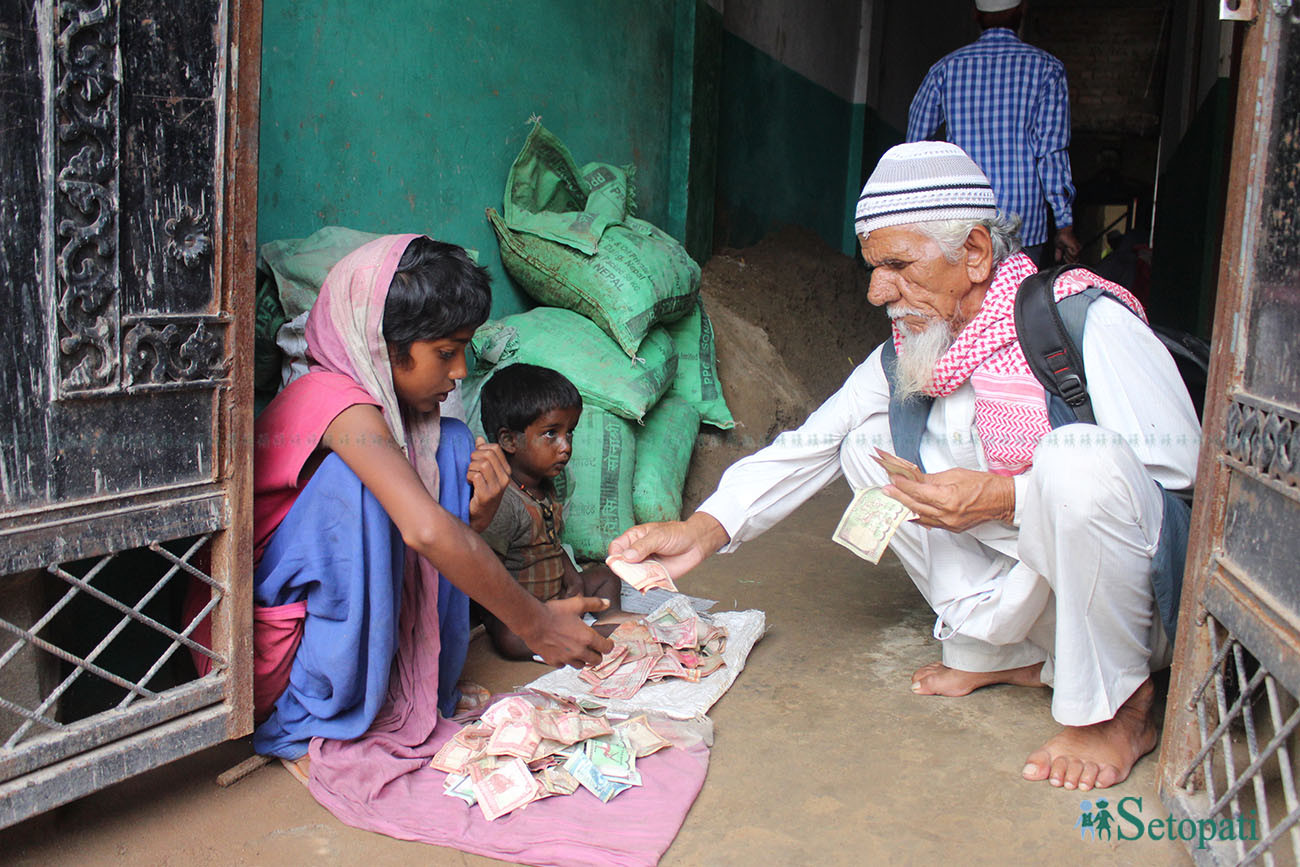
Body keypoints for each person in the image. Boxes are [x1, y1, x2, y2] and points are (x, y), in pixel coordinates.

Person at [610, 141, 1200, 793]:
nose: (875, 290)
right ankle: (1017, 651)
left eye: (897, 264)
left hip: (1136, 607)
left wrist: (1009, 496)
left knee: (1076, 462)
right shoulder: (908, 351)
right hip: (1037, 578)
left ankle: (1123, 705)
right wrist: (704, 528)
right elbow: (812, 441)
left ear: (974, 252)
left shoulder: (1083, 320)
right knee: (866, 441)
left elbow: (1179, 475)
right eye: (873, 266)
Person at [249, 234, 613, 766]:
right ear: (381, 345)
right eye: (445, 353)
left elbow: (434, 538)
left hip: (336, 613)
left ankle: (416, 686)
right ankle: (335, 701)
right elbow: (422, 532)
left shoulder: (406, 418)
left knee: (453, 444)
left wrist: (477, 515)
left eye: (463, 350)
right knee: (364, 487)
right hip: (278, 650)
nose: (461, 370)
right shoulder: (333, 402)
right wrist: (536, 623)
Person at [906, 0, 1082, 265]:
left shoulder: (945, 69)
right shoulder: (1047, 69)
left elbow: (914, 147)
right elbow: (1051, 152)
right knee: (1016, 303)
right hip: (1024, 226)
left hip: (962, 220)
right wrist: (1064, 223)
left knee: (964, 304)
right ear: (1022, 11)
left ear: (976, 15)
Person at [476, 363, 624, 659]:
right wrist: (526, 613)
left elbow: (553, 543)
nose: (565, 446)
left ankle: (610, 617)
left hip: (557, 593)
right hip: (524, 609)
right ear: (508, 440)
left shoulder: (547, 486)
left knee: (607, 577)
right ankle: (596, 635)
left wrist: (572, 576)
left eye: (569, 433)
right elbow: (487, 571)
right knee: (507, 637)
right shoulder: (503, 501)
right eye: (551, 434)